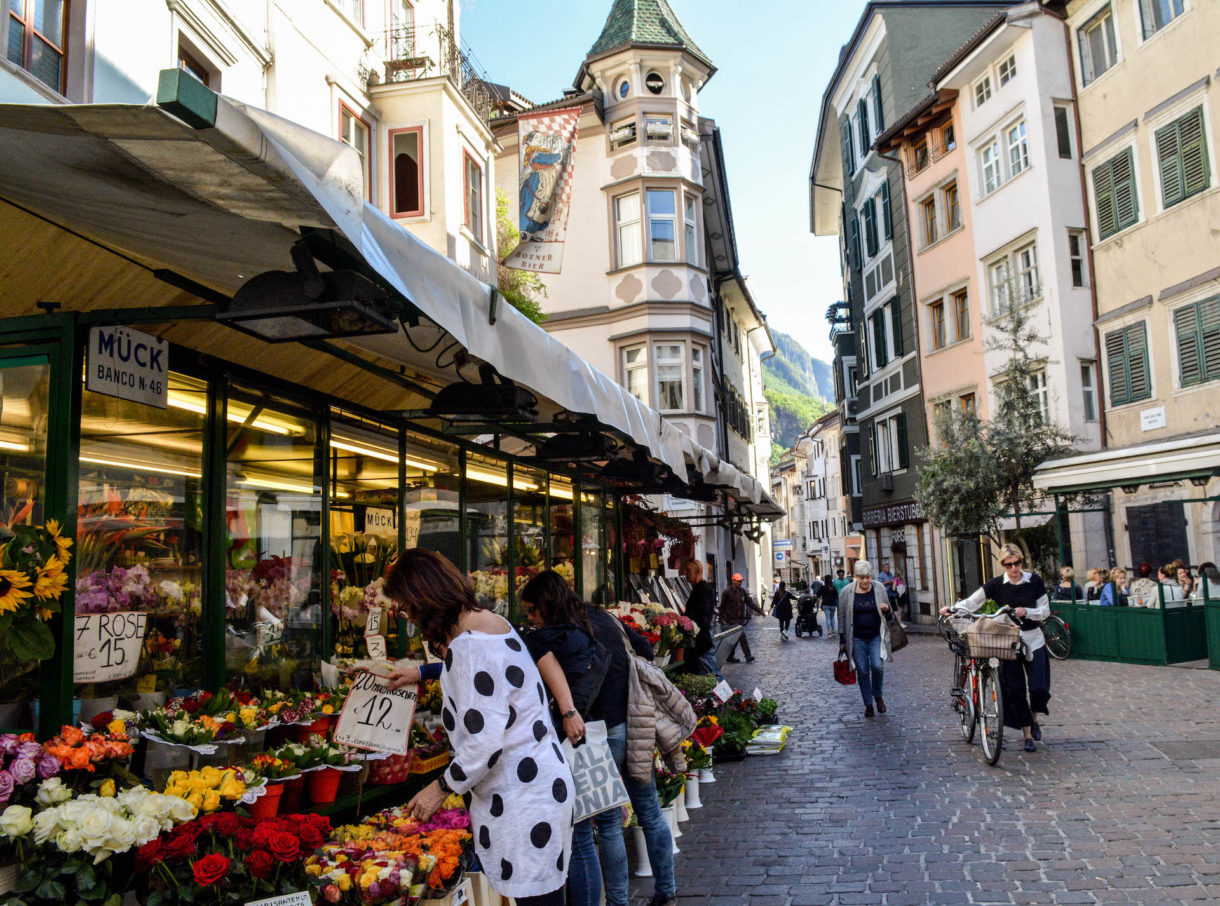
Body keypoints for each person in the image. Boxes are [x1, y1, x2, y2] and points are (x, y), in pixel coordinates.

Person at [385, 550, 573, 906]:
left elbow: (483, 744)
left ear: (422, 599)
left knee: (537, 899)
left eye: (406, 607)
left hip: (520, 797)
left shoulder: (468, 646)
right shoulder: (488, 622)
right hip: (541, 785)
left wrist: (439, 788)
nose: (407, 618)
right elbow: (488, 680)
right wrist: (422, 671)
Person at [517, 572, 609, 906]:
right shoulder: (582, 630)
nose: (528, 618)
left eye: (531, 610)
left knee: (579, 839)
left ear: (545, 605)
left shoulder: (549, 640)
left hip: (564, 742)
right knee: (584, 836)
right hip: (588, 738)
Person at [584, 604, 677, 906]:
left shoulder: (570, 630)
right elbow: (646, 650)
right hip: (632, 724)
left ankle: (618, 902)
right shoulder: (607, 618)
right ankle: (666, 891)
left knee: (610, 821)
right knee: (649, 810)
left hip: (600, 730)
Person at [942, 543, 1050, 753]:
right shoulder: (996, 584)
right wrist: (953, 609)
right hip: (1007, 642)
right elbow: (973, 601)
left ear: (1021, 561)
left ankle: (1034, 719)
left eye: (1016, 563)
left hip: (1033, 638)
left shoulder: (1034, 581)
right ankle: (1027, 734)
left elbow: (1045, 610)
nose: (1014, 568)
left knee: (1039, 687)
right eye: (1008, 565)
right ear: (1003, 565)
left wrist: (1026, 612)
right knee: (1015, 689)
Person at [836, 560, 892, 718]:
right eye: (861, 578)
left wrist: (886, 610)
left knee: (877, 666)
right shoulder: (847, 592)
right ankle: (868, 703)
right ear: (855, 577)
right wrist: (842, 640)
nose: (865, 581)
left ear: (871, 575)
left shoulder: (879, 588)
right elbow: (841, 617)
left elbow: (889, 612)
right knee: (862, 671)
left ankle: (878, 696)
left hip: (875, 635)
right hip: (856, 638)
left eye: (867, 577)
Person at [680, 560, 721, 680]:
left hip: (702, 639)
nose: (685, 573)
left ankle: (728, 697)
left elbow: (702, 617)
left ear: (698, 571)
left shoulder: (703, 589)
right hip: (700, 637)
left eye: (688, 570)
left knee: (713, 674)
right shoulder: (698, 588)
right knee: (707, 674)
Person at [719, 572, 765, 663]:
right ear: (733, 581)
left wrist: (760, 611)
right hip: (731, 620)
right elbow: (722, 607)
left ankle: (730, 656)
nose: (740, 583)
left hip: (740, 620)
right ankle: (748, 656)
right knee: (742, 637)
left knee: (735, 639)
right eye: (738, 581)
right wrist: (722, 619)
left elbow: (750, 603)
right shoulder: (727, 592)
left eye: (741, 581)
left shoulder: (742, 591)